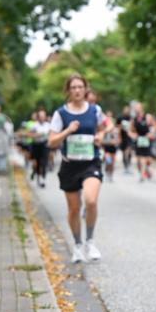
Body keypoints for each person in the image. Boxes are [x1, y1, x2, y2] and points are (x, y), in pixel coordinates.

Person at [48, 74, 107, 264]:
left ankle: (90, 241)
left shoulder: (94, 110)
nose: (77, 90)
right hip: (70, 166)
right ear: (68, 91)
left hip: (91, 163)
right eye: (73, 87)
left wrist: (101, 135)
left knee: (90, 201)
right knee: (74, 209)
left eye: (80, 87)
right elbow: (51, 141)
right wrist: (67, 131)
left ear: (85, 89)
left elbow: (106, 125)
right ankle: (78, 245)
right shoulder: (61, 114)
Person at [130, 103, 155, 182]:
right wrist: (133, 135)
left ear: (141, 108)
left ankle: (144, 174)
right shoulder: (134, 119)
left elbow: (154, 126)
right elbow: (130, 131)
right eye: (135, 108)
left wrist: (151, 133)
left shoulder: (147, 117)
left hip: (147, 140)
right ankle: (144, 174)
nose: (136, 109)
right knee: (139, 160)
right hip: (139, 140)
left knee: (147, 160)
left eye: (138, 108)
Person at [31, 108, 51, 187]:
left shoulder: (48, 125)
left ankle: (43, 179)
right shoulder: (35, 125)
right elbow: (30, 134)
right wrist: (37, 135)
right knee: (38, 162)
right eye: (40, 116)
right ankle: (37, 175)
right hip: (36, 145)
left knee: (44, 162)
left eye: (43, 116)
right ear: (38, 117)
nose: (42, 118)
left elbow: (52, 135)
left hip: (45, 145)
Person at [101, 116, 120, 183]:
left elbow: (119, 140)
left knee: (112, 163)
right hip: (107, 148)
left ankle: (111, 175)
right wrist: (109, 142)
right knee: (108, 161)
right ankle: (106, 173)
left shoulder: (116, 131)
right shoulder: (105, 130)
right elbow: (102, 140)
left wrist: (116, 142)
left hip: (114, 149)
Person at [117, 105, 135, 174]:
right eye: (125, 110)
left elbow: (133, 128)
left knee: (128, 151)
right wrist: (119, 137)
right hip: (122, 137)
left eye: (127, 110)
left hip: (129, 138)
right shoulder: (120, 118)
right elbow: (117, 127)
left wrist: (132, 125)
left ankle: (128, 165)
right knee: (124, 153)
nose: (126, 111)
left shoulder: (131, 118)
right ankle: (125, 166)